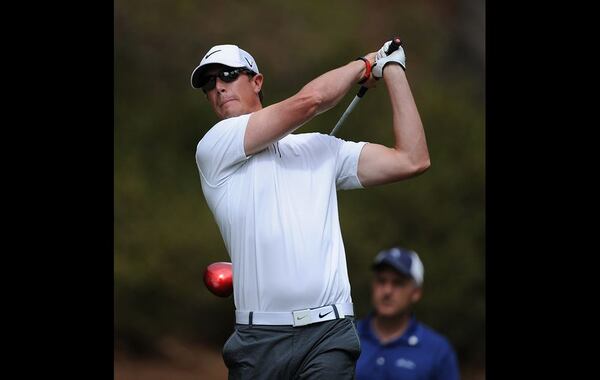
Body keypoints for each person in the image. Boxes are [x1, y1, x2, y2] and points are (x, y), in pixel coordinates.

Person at [190, 39, 430, 379]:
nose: (218, 87)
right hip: (259, 340)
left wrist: (393, 69)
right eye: (207, 83)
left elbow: (412, 159)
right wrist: (365, 64)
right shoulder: (215, 146)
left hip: (328, 335)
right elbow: (310, 102)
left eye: (228, 75)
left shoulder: (320, 147)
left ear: (257, 81)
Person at [355, 246, 460, 380]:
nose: (387, 291)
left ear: (416, 293)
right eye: (381, 281)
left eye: (398, 283)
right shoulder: (346, 337)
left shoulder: (438, 351)